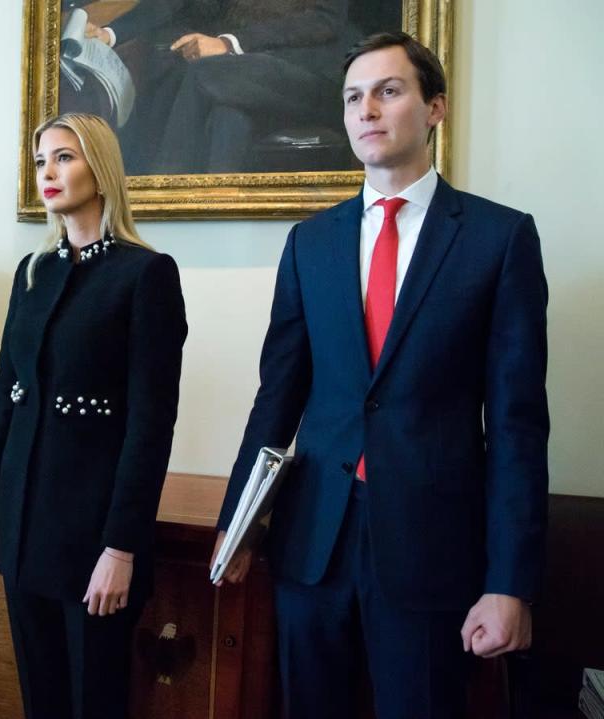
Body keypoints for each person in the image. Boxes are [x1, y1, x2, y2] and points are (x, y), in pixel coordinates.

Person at [212, 32, 549, 718]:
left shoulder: (499, 238)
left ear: (434, 109)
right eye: (353, 97)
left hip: (432, 551)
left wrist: (510, 581)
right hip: (314, 543)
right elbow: (277, 397)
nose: (366, 109)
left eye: (388, 91)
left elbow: (517, 426)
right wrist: (237, 521)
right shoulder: (310, 241)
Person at [0, 112, 187, 719]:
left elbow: (151, 425)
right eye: (41, 161)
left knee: (95, 700)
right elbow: (5, 393)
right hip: (22, 520)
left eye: (64, 157)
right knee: (41, 698)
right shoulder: (33, 272)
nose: (49, 172)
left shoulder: (146, 274)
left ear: (101, 166)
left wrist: (121, 547)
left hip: (93, 533)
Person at [87, 0, 348, 173]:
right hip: (237, 81)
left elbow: (323, 21)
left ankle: (161, 197)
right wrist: (110, 33)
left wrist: (228, 43)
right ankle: (208, 228)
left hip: (311, 76)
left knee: (202, 73)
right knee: (229, 119)